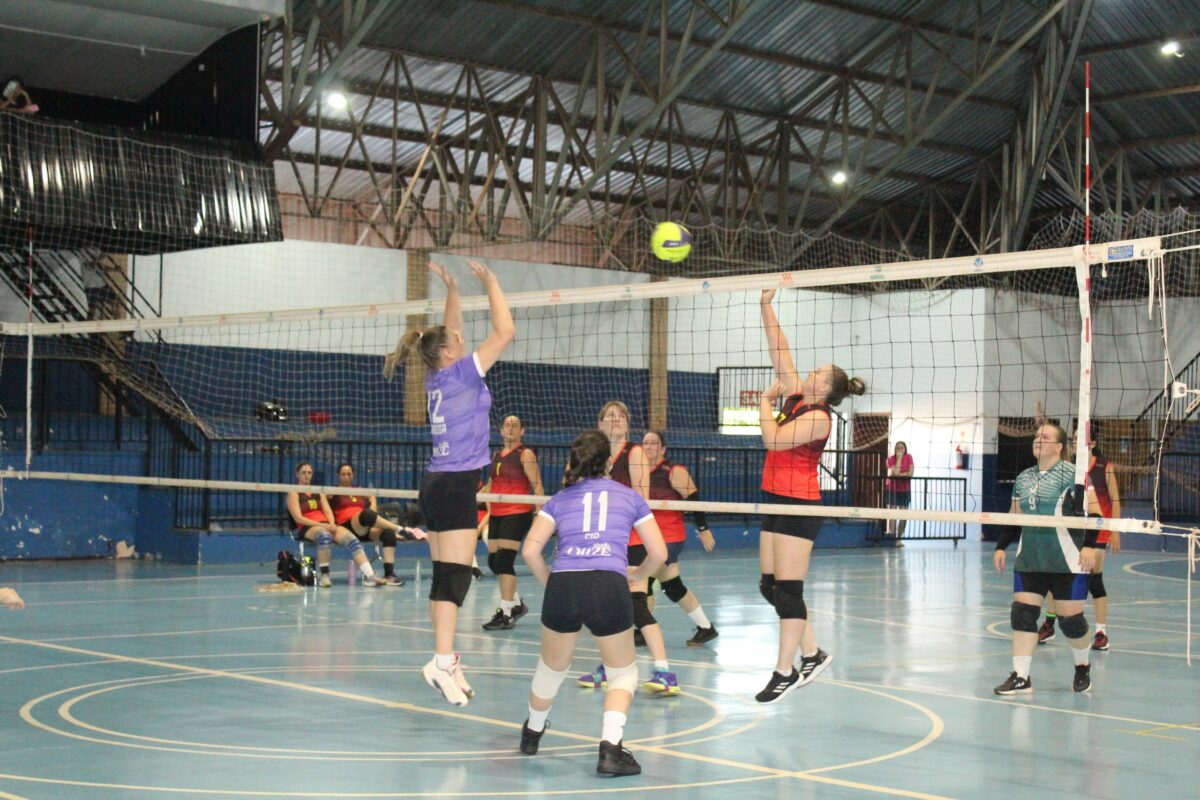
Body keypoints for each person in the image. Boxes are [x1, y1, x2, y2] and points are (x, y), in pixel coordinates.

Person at [383, 259, 514, 707]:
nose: (462, 338)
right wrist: (492, 282)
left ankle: (447, 658)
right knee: (455, 578)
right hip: (456, 485)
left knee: (445, 576)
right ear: (450, 353)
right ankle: (440, 662)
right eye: (458, 340)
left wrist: (454, 289)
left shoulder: (438, 374)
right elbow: (505, 332)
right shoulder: (460, 372)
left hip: (435, 483)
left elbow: (449, 330)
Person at [518, 429, 667, 777]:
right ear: (610, 462)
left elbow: (529, 551)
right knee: (622, 673)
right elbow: (659, 553)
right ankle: (610, 749)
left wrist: (551, 581)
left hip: (564, 584)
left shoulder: (559, 499)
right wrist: (637, 575)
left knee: (551, 668)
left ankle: (532, 733)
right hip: (607, 584)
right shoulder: (630, 497)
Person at [755, 288, 865, 703]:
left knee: (788, 591)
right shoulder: (798, 396)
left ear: (827, 387)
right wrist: (766, 305)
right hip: (775, 499)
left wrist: (765, 403)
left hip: (799, 505)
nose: (811, 372)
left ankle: (784, 671)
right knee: (770, 587)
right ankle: (814, 652)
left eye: (819, 372)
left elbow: (774, 440)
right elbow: (779, 348)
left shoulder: (819, 418)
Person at [577, 401, 679, 695]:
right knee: (608, 607)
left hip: (631, 539)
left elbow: (640, 499)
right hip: (605, 540)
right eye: (610, 415)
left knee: (636, 605)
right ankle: (610, 666)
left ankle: (664, 671)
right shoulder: (594, 456)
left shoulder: (634, 453)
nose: (616, 419)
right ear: (600, 424)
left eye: (621, 416)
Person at [993, 423, 1101, 695]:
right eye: (1037, 436)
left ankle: (1082, 666)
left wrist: (1089, 546)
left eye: (1045, 436)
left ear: (1059, 446)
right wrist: (1001, 546)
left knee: (1070, 621)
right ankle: (1021, 676)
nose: (1038, 439)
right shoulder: (1023, 478)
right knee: (1023, 614)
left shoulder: (1074, 474)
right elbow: (1014, 517)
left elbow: (1096, 513)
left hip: (1067, 560)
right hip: (1030, 558)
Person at [1037, 431, 1122, 651]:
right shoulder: (1067, 468)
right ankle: (1049, 624)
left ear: (1092, 443)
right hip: (1071, 533)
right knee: (1057, 577)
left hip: (1097, 532)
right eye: (1074, 438)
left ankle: (1101, 632)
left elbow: (1114, 499)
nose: (1076, 442)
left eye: (1080, 438)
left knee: (1095, 581)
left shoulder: (1104, 467)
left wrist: (1115, 531)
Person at [639, 430, 718, 646]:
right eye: (645, 443)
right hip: (649, 537)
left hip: (669, 537)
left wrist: (703, 529)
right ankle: (706, 628)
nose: (648, 446)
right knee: (672, 585)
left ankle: (644, 630)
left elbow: (694, 499)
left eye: (654, 443)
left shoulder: (673, 471)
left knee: (643, 579)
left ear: (663, 449)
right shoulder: (638, 473)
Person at [481, 415, 545, 631]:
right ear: (501, 431)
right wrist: (470, 499)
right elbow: (491, 484)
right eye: (507, 425)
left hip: (517, 512)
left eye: (515, 425)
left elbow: (537, 485)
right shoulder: (497, 456)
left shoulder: (525, 454)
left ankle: (506, 613)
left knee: (504, 561)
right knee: (494, 562)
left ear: (522, 431)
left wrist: (539, 516)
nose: (510, 428)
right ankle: (516, 604)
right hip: (497, 513)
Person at [285, 461, 386, 588]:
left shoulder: (318, 491)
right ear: (297, 474)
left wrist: (332, 524)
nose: (306, 476)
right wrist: (323, 526)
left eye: (309, 473)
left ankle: (370, 576)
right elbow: (298, 518)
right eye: (303, 473)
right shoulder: (293, 493)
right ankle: (325, 576)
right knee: (324, 536)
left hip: (326, 525)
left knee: (352, 540)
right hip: (308, 527)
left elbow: (327, 511)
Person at [329, 462, 409, 586]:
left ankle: (389, 574)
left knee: (388, 535)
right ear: (338, 476)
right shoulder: (333, 491)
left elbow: (372, 496)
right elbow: (321, 497)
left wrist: (373, 510)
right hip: (347, 526)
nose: (346, 477)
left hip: (364, 526)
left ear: (353, 475)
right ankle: (398, 528)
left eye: (349, 474)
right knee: (366, 514)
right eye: (343, 474)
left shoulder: (358, 490)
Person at [884, 441, 914, 544]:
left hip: (905, 490)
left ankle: (899, 539)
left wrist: (899, 475)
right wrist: (899, 459)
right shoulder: (890, 459)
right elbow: (895, 472)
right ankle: (892, 539)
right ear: (895, 449)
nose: (899, 450)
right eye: (897, 448)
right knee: (892, 515)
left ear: (905, 449)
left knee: (903, 516)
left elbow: (911, 473)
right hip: (892, 489)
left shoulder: (909, 457)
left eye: (902, 448)